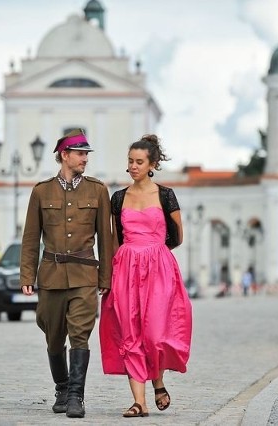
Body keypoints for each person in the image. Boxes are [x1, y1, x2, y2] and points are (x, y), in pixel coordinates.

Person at [20, 128, 113, 418]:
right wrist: (27, 277)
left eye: (87, 154)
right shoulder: (41, 191)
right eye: (80, 153)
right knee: (53, 336)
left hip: (85, 274)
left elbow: (106, 238)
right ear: (65, 155)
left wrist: (105, 278)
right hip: (51, 275)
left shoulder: (98, 190)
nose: (85, 158)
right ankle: (62, 386)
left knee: (80, 335)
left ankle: (76, 396)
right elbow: (30, 237)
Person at [99, 134, 193, 418]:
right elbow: (116, 239)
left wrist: (155, 254)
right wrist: (112, 274)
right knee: (131, 333)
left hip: (158, 267)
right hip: (126, 267)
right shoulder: (118, 198)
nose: (133, 166)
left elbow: (176, 236)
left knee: (154, 333)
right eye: (130, 161)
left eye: (139, 161)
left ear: (152, 164)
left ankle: (159, 381)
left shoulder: (165, 195)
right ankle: (139, 402)